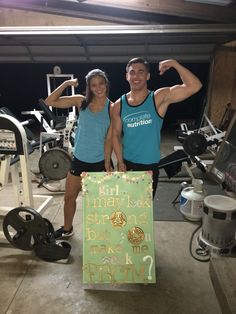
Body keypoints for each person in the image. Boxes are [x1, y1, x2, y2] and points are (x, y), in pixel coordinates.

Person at [112, 58, 202, 198]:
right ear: (127, 76)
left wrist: (175, 64)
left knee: (144, 212)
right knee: (126, 207)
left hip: (149, 166)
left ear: (147, 76)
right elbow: (115, 135)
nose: (136, 76)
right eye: (132, 72)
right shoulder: (119, 105)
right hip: (127, 164)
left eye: (141, 72)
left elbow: (195, 86)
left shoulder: (158, 98)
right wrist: (120, 160)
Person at [45, 69, 113, 239]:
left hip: (99, 163)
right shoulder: (81, 101)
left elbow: (110, 139)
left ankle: (100, 236)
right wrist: (67, 84)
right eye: (93, 85)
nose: (98, 88)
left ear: (106, 84)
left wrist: (107, 163)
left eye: (101, 84)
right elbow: (50, 101)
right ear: (89, 87)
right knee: (69, 198)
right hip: (79, 160)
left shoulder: (112, 108)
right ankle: (67, 229)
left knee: (98, 205)